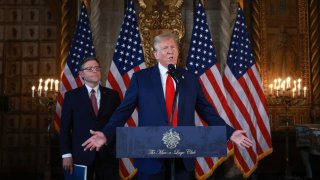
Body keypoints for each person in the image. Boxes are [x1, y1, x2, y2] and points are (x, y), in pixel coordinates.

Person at [82, 33, 252, 180]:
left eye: (173, 47)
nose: (170, 51)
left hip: (182, 155)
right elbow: (123, 111)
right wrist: (106, 134)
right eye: (165, 48)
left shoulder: (189, 78)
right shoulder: (141, 78)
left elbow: (207, 111)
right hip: (150, 155)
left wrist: (230, 132)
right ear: (155, 54)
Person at [60, 57, 121, 180]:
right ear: (81, 74)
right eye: (90, 68)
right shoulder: (71, 96)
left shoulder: (112, 95)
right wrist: (66, 154)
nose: (95, 71)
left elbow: (118, 124)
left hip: (107, 155)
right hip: (80, 155)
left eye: (97, 68)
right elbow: (65, 128)